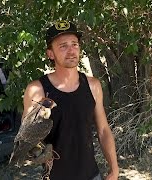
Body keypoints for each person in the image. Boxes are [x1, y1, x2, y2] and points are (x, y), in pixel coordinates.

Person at [21, 20, 119, 180]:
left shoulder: (93, 86)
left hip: (92, 175)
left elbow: (103, 131)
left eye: (75, 44)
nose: (71, 50)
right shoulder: (37, 90)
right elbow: (26, 138)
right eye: (63, 46)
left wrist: (114, 170)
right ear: (50, 53)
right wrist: (35, 147)